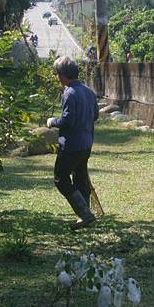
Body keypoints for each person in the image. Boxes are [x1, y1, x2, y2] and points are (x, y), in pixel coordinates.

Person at [46, 56, 98, 230]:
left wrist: (53, 121)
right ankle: (85, 214)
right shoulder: (88, 91)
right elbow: (95, 116)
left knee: (60, 178)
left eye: (57, 74)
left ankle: (84, 213)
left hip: (72, 145)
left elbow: (68, 122)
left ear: (63, 74)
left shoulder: (69, 92)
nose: (57, 77)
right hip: (87, 143)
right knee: (80, 176)